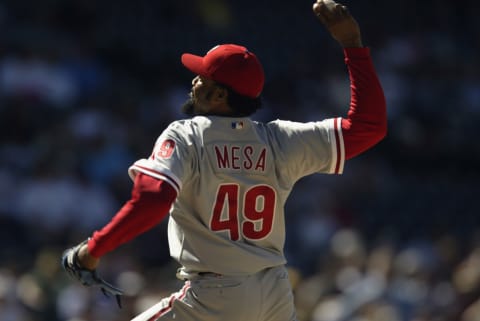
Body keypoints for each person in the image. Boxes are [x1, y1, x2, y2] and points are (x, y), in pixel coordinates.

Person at [62, 1, 387, 320]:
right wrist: (352, 46)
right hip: (274, 294)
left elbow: (153, 198)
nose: (194, 81)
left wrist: (93, 250)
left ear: (219, 95)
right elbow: (369, 126)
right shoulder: (280, 139)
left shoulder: (187, 135)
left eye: (202, 77)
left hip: (214, 296)